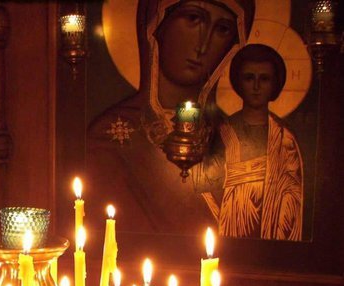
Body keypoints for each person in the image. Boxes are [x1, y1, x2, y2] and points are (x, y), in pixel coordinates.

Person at [86, 0, 255, 234]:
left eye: (222, 29)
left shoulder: (232, 139)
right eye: (193, 18)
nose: (203, 45)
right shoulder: (109, 136)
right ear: (157, 24)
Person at [215, 44, 303, 240]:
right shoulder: (222, 131)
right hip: (231, 221)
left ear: (274, 84)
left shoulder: (284, 137)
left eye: (264, 79)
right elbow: (208, 181)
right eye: (249, 78)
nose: (256, 87)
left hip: (270, 225)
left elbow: (293, 190)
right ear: (238, 82)